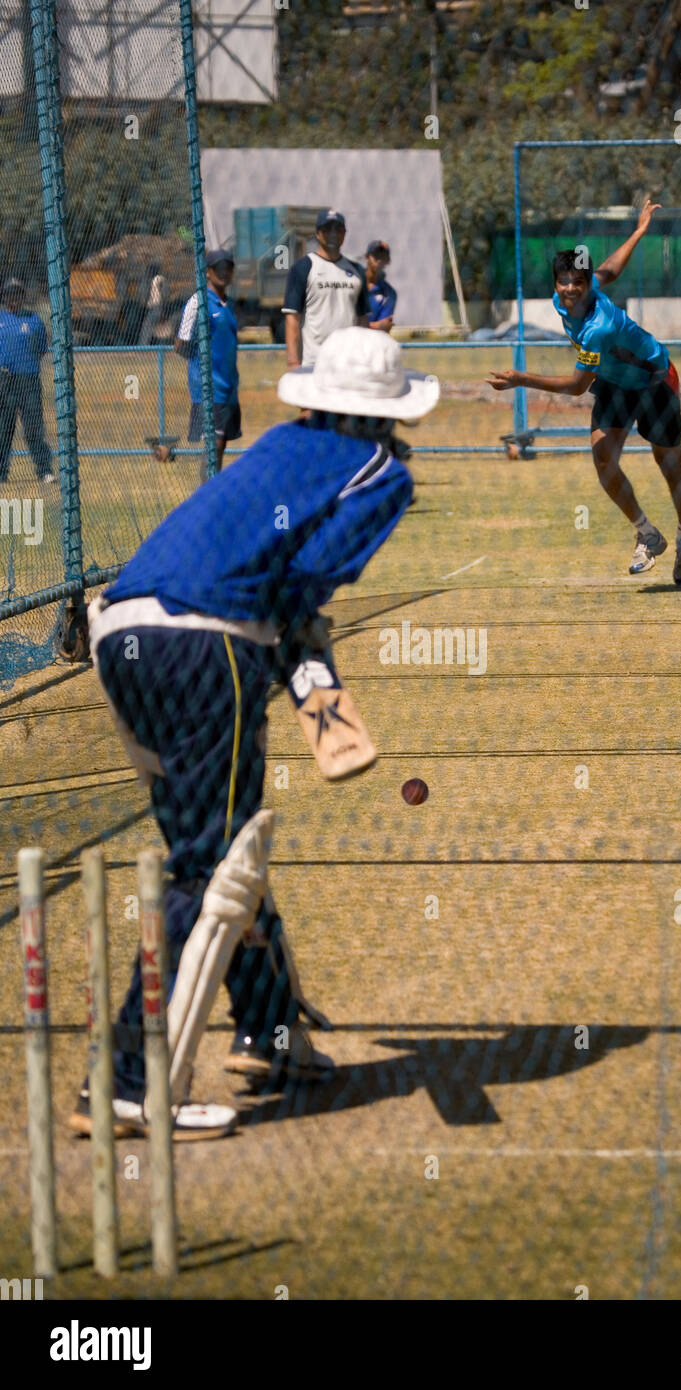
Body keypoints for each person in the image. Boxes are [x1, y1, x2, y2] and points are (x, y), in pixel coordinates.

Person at [75, 327, 439, 1140]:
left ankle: (270, 1033)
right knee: (212, 869)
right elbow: (302, 582)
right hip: (205, 643)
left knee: (227, 845)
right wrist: (304, 665)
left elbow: (270, 572)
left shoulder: (281, 444)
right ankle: (130, 1084)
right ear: (385, 414)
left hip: (120, 630)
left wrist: (298, 652)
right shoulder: (382, 471)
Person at [486, 200, 681, 585]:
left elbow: (576, 386)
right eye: (563, 282)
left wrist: (521, 379)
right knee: (604, 458)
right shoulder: (564, 298)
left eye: (578, 283)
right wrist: (638, 231)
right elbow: (611, 269)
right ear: (556, 283)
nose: (570, 289)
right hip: (616, 384)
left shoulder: (598, 327)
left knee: (667, 463)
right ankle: (647, 534)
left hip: (654, 380)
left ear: (586, 287)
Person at [175, 250, 240, 482]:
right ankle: (207, 497)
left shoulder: (229, 303)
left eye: (228, 267)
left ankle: (212, 493)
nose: (224, 272)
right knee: (215, 443)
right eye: (218, 268)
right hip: (208, 386)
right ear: (208, 272)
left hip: (228, 386)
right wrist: (201, 365)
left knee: (220, 446)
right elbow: (180, 344)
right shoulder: (198, 302)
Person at [283, 209, 369, 369]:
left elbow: (363, 320)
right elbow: (292, 319)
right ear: (317, 233)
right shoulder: (303, 268)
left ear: (344, 233)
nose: (333, 234)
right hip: (314, 363)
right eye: (327, 229)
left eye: (338, 229)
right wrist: (293, 362)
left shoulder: (357, 271)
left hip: (349, 362)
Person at [0, 277, 54, 484]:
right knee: (3, 429)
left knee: (33, 427)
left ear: (22, 296)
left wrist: (25, 365)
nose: (13, 298)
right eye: (9, 294)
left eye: (17, 293)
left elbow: (41, 349)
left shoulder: (34, 320)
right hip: (4, 381)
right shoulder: (1, 319)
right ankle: (1, 472)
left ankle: (44, 470)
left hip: (28, 381)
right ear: (4, 297)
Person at [365, 240, 397, 333]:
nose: (379, 260)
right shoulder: (354, 284)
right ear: (367, 257)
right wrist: (374, 326)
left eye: (383, 257)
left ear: (387, 261)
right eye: (376, 256)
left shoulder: (389, 294)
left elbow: (383, 328)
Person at [138, 263, 168, 346]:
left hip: (156, 308)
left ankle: (142, 347)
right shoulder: (159, 279)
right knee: (156, 329)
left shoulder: (158, 279)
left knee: (147, 327)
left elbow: (143, 295)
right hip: (157, 308)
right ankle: (157, 346)